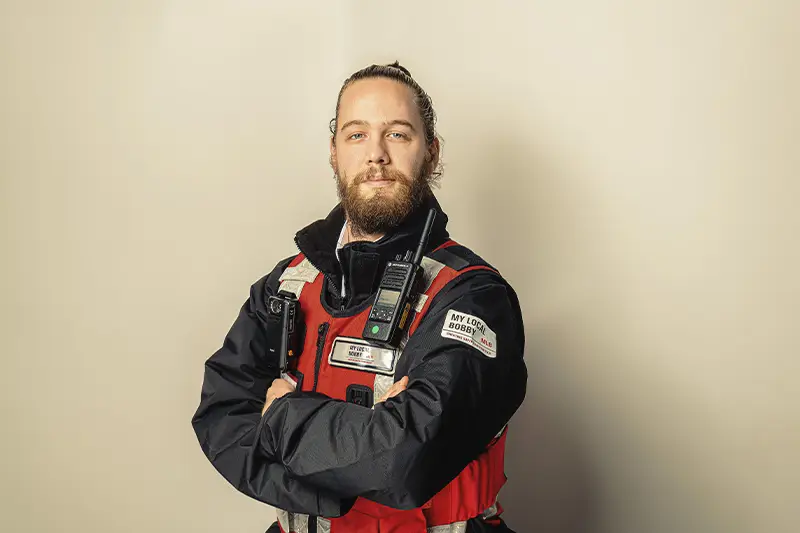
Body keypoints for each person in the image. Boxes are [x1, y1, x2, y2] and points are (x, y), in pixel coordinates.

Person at [191, 62, 527, 533]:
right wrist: (339, 472)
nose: (376, 155)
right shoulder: (287, 284)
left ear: (431, 152)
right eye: (356, 135)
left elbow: (403, 458)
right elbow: (221, 413)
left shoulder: (471, 297)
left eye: (397, 134)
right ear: (334, 152)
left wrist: (280, 417)